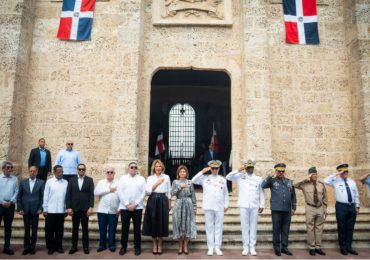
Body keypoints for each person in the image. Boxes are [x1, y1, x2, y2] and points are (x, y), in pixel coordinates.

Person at [226, 158, 265, 256]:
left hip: (254, 205)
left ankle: (252, 247)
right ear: (246, 167)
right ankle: (245, 247)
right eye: (248, 167)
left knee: (253, 227)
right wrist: (239, 169)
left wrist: (262, 204)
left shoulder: (258, 179)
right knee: (244, 227)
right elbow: (228, 177)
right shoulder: (240, 176)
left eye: (251, 167)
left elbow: (262, 192)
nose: (250, 168)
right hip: (243, 205)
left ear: (253, 167)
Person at [192, 160, 228, 256]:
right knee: (209, 227)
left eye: (216, 168)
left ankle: (217, 247)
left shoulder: (223, 180)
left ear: (219, 169)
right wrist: (202, 171)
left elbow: (226, 194)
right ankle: (210, 248)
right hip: (208, 206)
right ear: (210, 169)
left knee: (218, 227)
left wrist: (226, 205)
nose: (214, 170)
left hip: (219, 206)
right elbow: (193, 180)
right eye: (212, 168)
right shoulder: (205, 178)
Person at [324, 164, 360, 255]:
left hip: (352, 207)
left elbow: (356, 194)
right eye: (343, 171)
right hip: (341, 207)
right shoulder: (335, 181)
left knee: (350, 228)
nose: (345, 173)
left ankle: (349, 246)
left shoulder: (352, 182)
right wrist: (336, 173)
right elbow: (326, 181)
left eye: (346, 171)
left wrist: (357, 206)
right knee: (342, 227)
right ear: (340, 172)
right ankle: (343, 247)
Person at [261, 163, 296, 257]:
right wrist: (270, 176)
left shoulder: (289, 182)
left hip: (287, 210)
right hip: (276, 209)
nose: (281, 172)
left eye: (282, 171)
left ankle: (284, 247)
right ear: (276, 171)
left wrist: (293, 207)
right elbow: (262, 185)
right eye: (279, 171)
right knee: (276, 229)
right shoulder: (272, 181)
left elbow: (293, 196)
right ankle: (277, 248)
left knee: (285, 230)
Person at [294, 166, 327, 256]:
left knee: (319, 228)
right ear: (309, 175)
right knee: (310, 228)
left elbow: (324, 197)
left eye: (316, 174)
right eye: (313, 174)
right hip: (310, 208)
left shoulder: (321, 184)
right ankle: (312, 247)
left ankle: (318, 247)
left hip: (320, 208)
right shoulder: (304, 184)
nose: (315, 175)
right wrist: (306, 178)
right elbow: (294, 184)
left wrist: (324, 209)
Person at [142, 159, 171, 255]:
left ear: (162, 167)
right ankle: (154, 244)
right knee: (153, 222)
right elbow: (148, 191)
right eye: (156, 166)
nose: (158, 168)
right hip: (153, 199)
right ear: (154, 167)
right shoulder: (150, 178)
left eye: (159, 166)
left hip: (163, 200)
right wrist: (157, 183)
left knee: (162, 222)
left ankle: (160, 244)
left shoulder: (166, 177)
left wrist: (169, 203)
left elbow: (169, 191)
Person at [117, 162, 146, 256]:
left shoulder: (141, 179)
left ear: (137, 169)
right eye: (131, 167)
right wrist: (126, 204)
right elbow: (120, 191)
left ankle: (137, 247)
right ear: (128, 168)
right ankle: (123, 247)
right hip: (125, 207)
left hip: (137, 207)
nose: (133, 168)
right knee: (124, 228)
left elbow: (143, 193)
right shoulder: (122, 178)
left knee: (137, 229)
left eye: (135, 167)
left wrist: (135, 204)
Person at [65, 163, 94, 254]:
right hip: (75, 209)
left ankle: (85, 247)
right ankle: (74, 247)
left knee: (85, 229)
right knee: (75, 229)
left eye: (83, 169)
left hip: (85, 209)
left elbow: (91, 195)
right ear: (77, 170)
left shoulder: (89, 180)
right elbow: (68, 195)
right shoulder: (71, 180)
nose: (81, 171)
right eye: (80, 169)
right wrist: (68, 207)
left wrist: (91, 207)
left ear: (85, 170)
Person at [17, 166, 45, 255]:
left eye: (34, 171)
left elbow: (43, 197)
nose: (32, 172)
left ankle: (32, 248)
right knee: (26, 230)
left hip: (36, 210)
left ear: (37, 172)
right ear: (28, 172)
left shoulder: (41, 182)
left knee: (34, 230)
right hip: (25, 210)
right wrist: (20, 208)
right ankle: (26, 247)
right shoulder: (23, 182)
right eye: (31, 171)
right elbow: (19, 197)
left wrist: (41, 208)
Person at [171, 165, 197, 255]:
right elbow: (171, 193)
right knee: (178, 223)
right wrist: (180, 187)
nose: (182, 173)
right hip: (178, 203)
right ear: (178, 173)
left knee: (187, 224)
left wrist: (194, 206)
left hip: (188, 204)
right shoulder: (175, 182)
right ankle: (180, 245)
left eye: (184, 171)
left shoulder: (190, 182)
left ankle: (185, 245)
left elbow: (193, 195)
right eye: (181, 171)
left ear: (186, 173)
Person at [43, 165, 68, 255]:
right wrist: (45, 209)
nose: (61, 173)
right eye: (59, 171)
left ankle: (58, 246)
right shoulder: (49, 182)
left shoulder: (66, 182)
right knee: (49, 230)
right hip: (50, 210)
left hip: (61, 211)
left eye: (62, 171)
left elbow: (66, 198)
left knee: (59, 230)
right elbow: (45, 195)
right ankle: (50, 247)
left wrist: (66, 209)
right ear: (54, 172)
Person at [94, 167, 120, 253]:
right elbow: (96, 193)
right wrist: (109, 190)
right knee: (102, 229)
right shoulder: (101, 182)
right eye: (108, 172)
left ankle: (112, 245)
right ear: (106, 173)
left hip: (113, 210)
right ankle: (102, 245)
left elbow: (121, 197)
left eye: (111, 172)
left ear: (114, 173)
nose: (109, 173)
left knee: (112, 229)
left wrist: (119, 209)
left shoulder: (118, 183)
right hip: (102, 210)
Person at [0, 161, 18, 255]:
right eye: (7, 168)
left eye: (10, 168)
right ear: (3, 168)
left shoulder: (14, 179)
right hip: (0, 205)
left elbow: (16, 191)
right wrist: (2, 202)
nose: (9, 169)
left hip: (10, 206)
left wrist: (11, 201)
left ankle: (6, 247)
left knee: (8, 227)